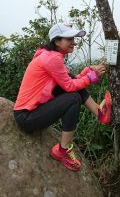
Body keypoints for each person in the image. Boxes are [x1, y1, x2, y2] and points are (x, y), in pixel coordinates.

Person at [13, 23, 112, 171]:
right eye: (69, 39)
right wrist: (90, 78)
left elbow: (71, 81)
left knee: (71, 81)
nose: (73, 42)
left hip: (35, 110)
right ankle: (62, 150)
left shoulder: (49, 55)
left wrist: (87, 71)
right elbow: (70, 87)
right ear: (57, 41)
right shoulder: (52, 59)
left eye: (73, 38)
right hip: (26, 117)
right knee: (73, 98)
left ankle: (100, 113)